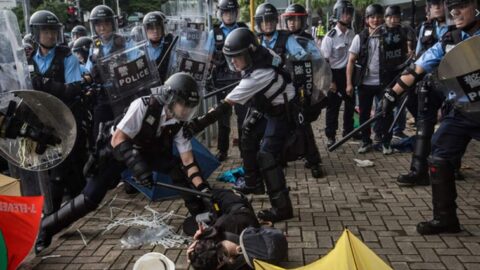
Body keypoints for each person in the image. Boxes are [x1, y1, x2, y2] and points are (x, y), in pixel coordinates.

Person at [35, 72, 212, 253]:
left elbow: (188, 160)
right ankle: (47, 227)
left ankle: (200, 216)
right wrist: (139, 168)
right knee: (90, 198)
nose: (186, 111)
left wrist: (203, 188)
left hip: (148, 151)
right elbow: (118, 139)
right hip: (117, 151)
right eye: (184, 105)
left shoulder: (179, 122)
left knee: (178, 170)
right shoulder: (143, 105)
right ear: (170, 97)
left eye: (190, 107)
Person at [380, 0, 480, 234]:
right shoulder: (450, 39)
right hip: (464, 111)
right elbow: (418, 67)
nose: (455, 11)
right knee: (439, 151)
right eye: (452, 5)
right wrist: (392, 94)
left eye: (462, 4)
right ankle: (445, 218)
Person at [185, 28, 295, 223]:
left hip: (284, 112)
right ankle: (254, 183)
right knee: (248, 133)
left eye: (237, 57)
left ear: (250, 53)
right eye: (230, 57)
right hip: (270, 106)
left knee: (266, 155)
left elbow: (224, 107)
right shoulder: (262, 54)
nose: (233, 62)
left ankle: (282, 208)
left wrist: (195, 125)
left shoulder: (258, 75)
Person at [397, 0, 465, 186]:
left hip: (454, 85)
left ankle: (451, 166)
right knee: (423, 126)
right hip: (428, 82)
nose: (436, 7)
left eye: (440, 3)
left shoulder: (462, 27)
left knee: (454, 125)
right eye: (432, 3)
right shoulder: (425, 27)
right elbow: (420, 56)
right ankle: (418, 171)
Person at [28, 10, 88, 218]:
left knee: (64, 166)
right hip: (39, 119)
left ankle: (53, 215)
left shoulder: (67, 57)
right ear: (36, 33)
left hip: (65, 118)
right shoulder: (27, 58)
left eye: (53, 31)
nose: (51, 35)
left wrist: (45, 84)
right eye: (45, 31)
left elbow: (72, 89)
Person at [282, 3, 325, 178]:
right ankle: (282, 156)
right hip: (284, 88)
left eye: (296, 19)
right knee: (282, 124)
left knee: (303, 124)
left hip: (302, 88)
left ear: (303, 20)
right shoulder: (282, 37)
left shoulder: (308, 40)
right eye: (289, 19)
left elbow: (317, 60)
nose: (292, 23)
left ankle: (313, 160)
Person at [346, 4, 395, 155]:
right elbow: (351, 61)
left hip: (384, 83)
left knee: (386, 112)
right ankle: (366, 141)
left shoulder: (390, 36)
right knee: (364, 114)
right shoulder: (359, 38)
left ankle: (385, 141)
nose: (376, 20)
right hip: (364, 84)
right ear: (367, 20)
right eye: (372, 17)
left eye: (379, 17)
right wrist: (349, 83)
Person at [207, 0, 247, 161]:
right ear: (220, 14)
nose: (229, 15)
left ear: (236, 13)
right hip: (221, 82)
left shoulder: (243, 30)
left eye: (231, 12)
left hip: (242, 81)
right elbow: (208, 57)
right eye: (225, 13)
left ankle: (246, 150)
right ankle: (222, 150)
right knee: (223, 118)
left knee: (243, 117)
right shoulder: (214, 33)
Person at [321, 0, 356, 148]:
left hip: (349, 74)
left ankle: (348, 132)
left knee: (350, 105)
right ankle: (330, 135)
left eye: (349, 13)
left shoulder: (352, 33)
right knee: (333, 107)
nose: (347, 16)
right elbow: (324, 61)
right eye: (344, 13)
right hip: (334, 74)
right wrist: (331, 81)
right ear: (337, 14)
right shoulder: (330, 36)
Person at [143, 11, 175, 83]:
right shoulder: (140, 49)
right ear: (145, 31)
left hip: (169, 84)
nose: (155, 31)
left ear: (162, 29)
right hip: (147, 88)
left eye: (158, 27)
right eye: (151, 28)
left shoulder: (171, 45)